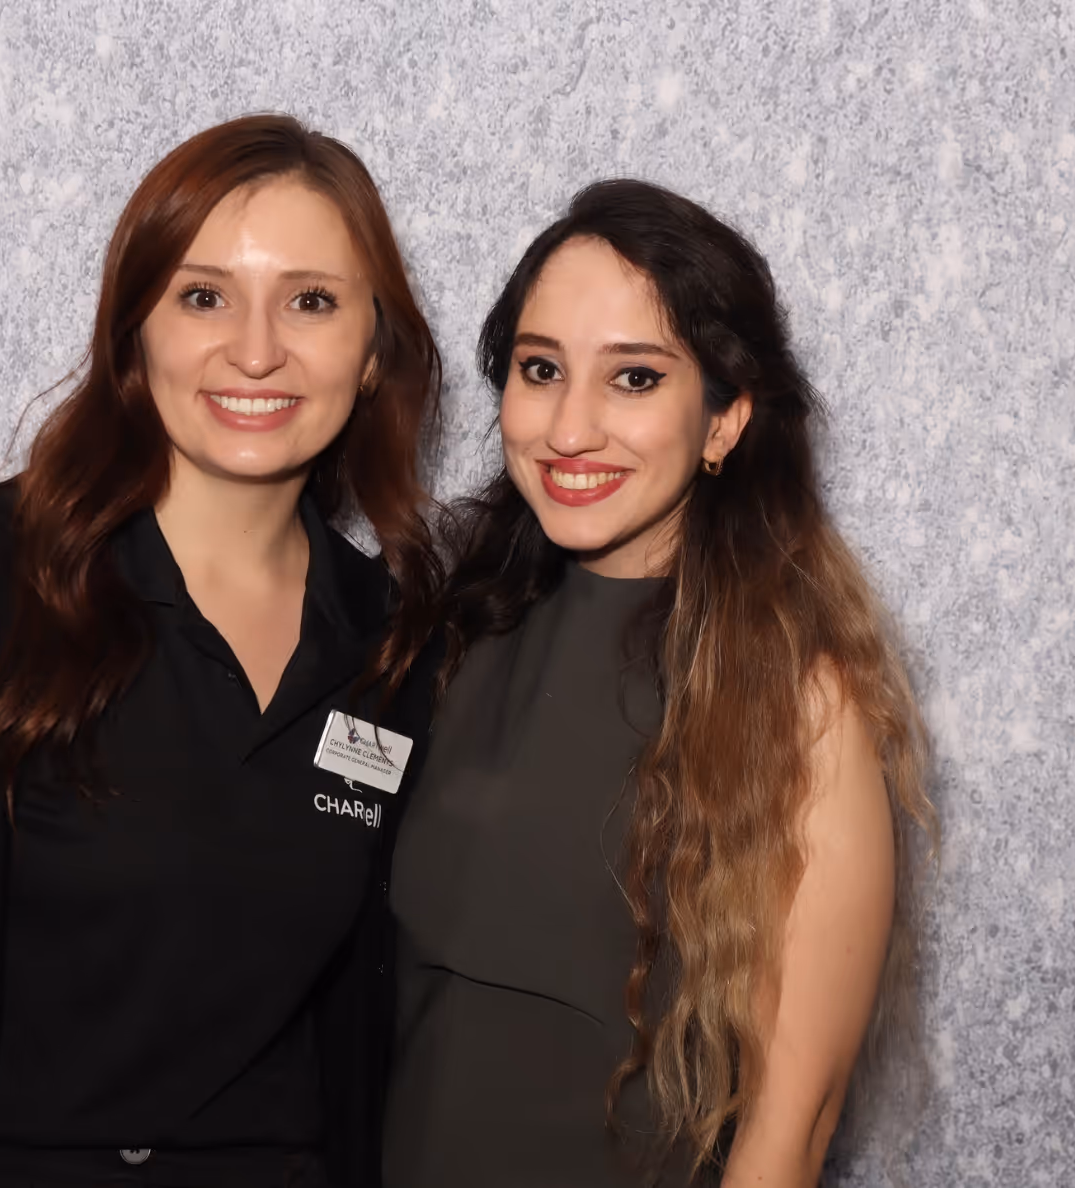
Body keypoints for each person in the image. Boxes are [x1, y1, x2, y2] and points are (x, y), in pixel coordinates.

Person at [0, 114, 443, 1188]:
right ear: (134, 335)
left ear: (373, 354)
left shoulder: (394, 649)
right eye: (202, 296)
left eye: (311, 301)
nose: (256, 349)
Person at [382, 180, 937, 1187]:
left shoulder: (799, 706)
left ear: (724, 421)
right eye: (539, 369)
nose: (570, 427)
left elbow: (792, 1126)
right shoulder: (445, 637)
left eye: (634, 379)